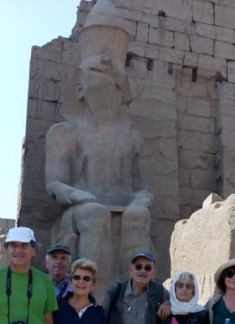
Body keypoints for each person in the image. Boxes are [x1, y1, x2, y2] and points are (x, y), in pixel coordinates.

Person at [45, 0, 150, 295]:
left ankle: (135, 299)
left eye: (116, 80)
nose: (111, 84)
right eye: (101, 74)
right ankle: (95, 300)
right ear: (80, 85)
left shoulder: (132, 137)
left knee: (138, 216)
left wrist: (141, 200)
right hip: (80, 208)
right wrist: (76, 195)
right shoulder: (64, 132)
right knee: (96, 214)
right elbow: (54, 183)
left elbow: (143, 187)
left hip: (120, 202)